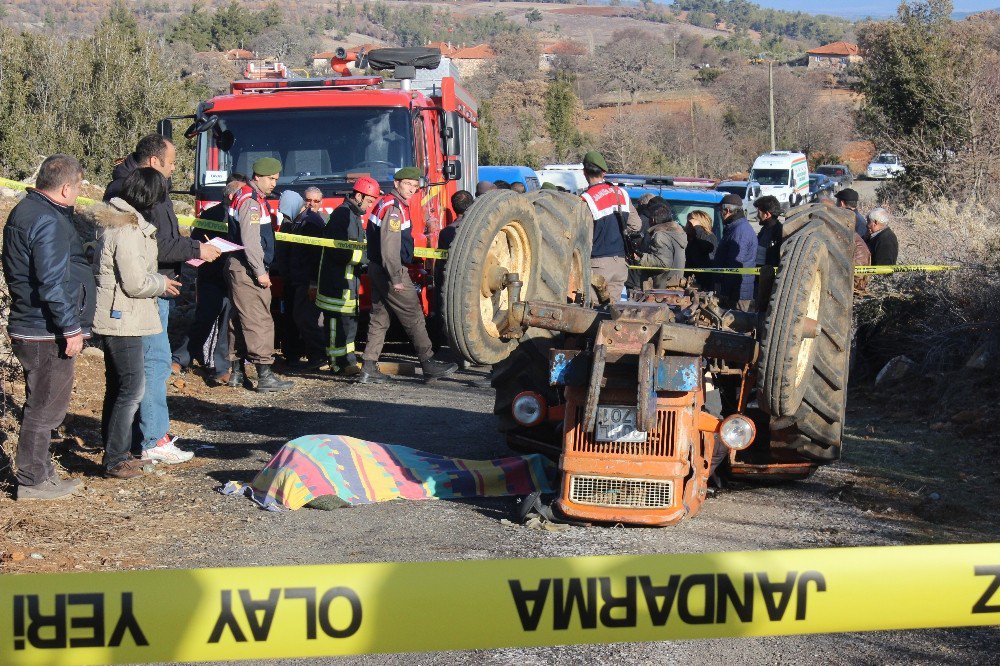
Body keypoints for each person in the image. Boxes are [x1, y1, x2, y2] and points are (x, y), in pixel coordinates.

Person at [104, 134, 219, 463]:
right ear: (154, 162)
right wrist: (197, 249)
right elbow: (154, 247)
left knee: (148, 365)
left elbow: (162, 239)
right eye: (170, 164)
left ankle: (144, 438)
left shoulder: (141, 190)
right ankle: (153, 438)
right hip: (150, 290)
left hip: (158, 285)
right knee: (153, 363)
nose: (173, 170)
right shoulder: (140, 194)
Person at [2, 155, 96, 500]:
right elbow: (52, 282)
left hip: (33, 323)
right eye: (79, 187)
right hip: (45, 329)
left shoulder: (27, 211)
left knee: (43, 404)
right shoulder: (48, 220)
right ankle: (32, 480)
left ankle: (41, 471)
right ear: (67, 187)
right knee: (45, 408)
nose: (79, 194)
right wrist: (70, 328)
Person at [90, 170, 182, 478]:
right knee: (131, 386)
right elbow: (134, 282)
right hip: (123, 317)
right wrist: (162, 283)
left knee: (118, 386)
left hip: (121, 314)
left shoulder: (119, 221)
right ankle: (116, 458)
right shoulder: (127, 229)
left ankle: (118, 451)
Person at [359, 167, 458, 384]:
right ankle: (428, 362)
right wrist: (396, 278)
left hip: (377, 268)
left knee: (379, 318)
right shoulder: (394, 208)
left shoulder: (385, 203)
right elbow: (389, 248)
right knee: (413, 315)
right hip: (390, 270)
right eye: (407, 184)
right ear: (396, 184)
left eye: (415, 186)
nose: (412, 189)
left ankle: (367, 367)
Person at [224, 157, 293, 392]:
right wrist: (261, 272)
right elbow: (251, 241)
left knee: (239, 319)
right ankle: (265, 375)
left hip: (240, 267)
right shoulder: (251, 202)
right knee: (259, 319)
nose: (274, 183)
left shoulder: (246, 196)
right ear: (258, 177)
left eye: (276, 179)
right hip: (248, 269)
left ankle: (236, 372)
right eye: (271, 179)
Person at [171, 175, 246, 384]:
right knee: (204, 318)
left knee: (227, 325)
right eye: (241, 193)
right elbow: (195, 241)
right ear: (230, 195)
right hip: (211, 275)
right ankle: (180, 358)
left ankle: (221, 368)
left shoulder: (244, 215)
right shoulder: (210, 214)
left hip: (233, 278)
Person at [316, 176, 379, 376]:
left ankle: (348, 360)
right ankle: (336, 363)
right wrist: (368, 259)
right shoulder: (342, 216)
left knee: (349, 325)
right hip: (336, 283)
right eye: (369, 201)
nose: (369, 206)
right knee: (336, 325)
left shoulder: (352, 215)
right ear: (358, 196)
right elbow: (341, 251)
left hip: (348, 281)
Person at [275, 188, 327, 369]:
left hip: (306, 280)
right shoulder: (298, 221)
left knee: (305, 318)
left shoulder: (309, 223)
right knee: (301, 317)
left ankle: (319, 356)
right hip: (299, 279)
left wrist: (312, 283)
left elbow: (314, 256)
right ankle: (316, 356)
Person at [580, 151, 641, 302]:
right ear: (604, 172)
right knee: (611, 311)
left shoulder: (586, 199)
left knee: (592, 310)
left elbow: (584, 237)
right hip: (620, 263)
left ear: (584, 173)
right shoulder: (621, 193)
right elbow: (636, 225)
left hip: (598, 264)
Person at [713, 193, 757, 311]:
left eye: (720, 211)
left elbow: (734, 265)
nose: (720, 215)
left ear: (727, 211)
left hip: (738, 294)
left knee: (736, 326)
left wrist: (726, 293)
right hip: (735, 291)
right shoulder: (735, 227)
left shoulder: (739, 232)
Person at [636, 202, 687, 289]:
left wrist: (640, 258)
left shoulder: (660, 235)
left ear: (652, 220)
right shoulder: (678, 233)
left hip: (662, 288)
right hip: (675, 285)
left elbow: (663, 263)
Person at [684, 210, 718, 289]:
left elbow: (708, 251)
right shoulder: (690, 239)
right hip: (690, 281)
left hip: (704, 283)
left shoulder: (708, 236)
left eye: (690, 222)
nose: (687, 225)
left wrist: (697, 227)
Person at [754, 195, 783, 267]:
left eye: (759, 212)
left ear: (767, 214)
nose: (757, 216)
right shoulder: (765, 229)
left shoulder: (778, 233)